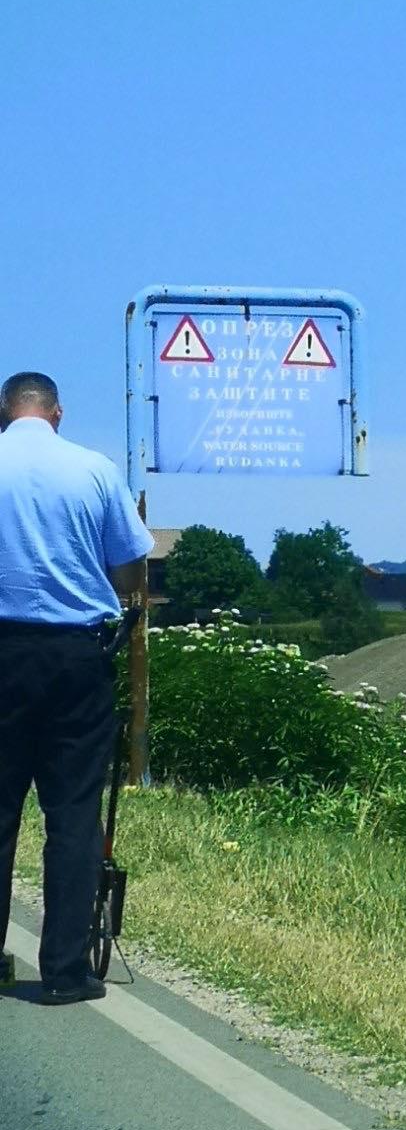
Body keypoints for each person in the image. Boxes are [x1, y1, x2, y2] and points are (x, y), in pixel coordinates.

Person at [0, 372, 153, 1002]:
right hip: (75, 656)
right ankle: (64, 970)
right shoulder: (92, 469)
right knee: (72, 815)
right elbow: (130, 564)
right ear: (56, 413)